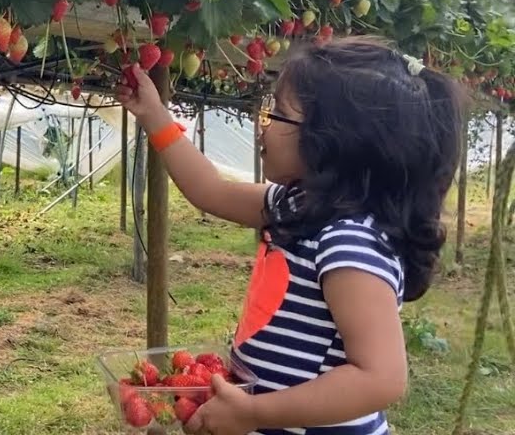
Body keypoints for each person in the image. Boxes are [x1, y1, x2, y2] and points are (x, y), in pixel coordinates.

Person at [116, 36, 464, 435]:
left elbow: (380, 378)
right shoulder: (294, 203)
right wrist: (155, 117)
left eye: (277, 114)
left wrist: (253, 413)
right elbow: (209, 190)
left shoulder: (349, 243)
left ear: (331, 140)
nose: (262, 124)